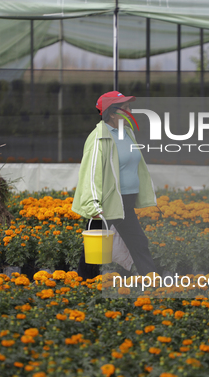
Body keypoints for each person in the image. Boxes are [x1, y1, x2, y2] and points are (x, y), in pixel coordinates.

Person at [72, 91, 160, 280]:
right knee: (93, 252)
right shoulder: (98, 138)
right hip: (105, 204)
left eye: (129, 107)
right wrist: (93, 205)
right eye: (125, 108)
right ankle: (81, 285)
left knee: (139, 243)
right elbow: (90, 173)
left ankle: (154, 285)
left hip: (125, 201)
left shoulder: (127, 132)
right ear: (112, 113)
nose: (130, 111)